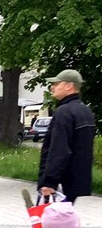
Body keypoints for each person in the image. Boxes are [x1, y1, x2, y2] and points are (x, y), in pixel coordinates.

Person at [38, 69, 96, 203]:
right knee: (66, 219)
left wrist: (49, 182)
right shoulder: (85, 111)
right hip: (76, 181)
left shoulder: (64, 112)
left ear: (69, 86)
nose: (52, 87)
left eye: (57, 84)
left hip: (60, 183)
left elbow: (59, 150)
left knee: (51, 221)